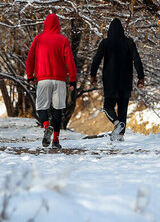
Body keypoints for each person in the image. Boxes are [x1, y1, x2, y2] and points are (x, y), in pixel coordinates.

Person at [26, 13, 77, 149]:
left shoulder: (39, 39)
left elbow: (30, 59)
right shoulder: (63, 40)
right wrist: (72, 80)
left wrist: (30, 76)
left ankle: (46, 126)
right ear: (58, 25)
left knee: (42, 108)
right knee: (57, 110)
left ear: (45, 24)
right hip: (59, 81)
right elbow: (70, 62)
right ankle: (55, 140)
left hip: (43, 79)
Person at [89, 18, 144, 141]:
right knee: (123, 109)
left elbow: (96, 59)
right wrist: (141, 77)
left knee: (108, 107)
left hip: (110, 81)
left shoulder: (105, 43)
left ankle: (116, 122)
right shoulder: (129, 42)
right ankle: (120, 135)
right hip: (125, 81)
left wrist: (92, 75)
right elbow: (137, 60)